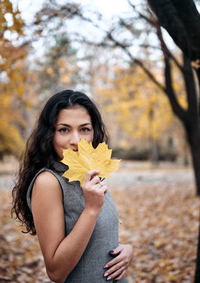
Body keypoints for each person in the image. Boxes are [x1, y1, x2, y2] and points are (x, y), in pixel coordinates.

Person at [12, 90, 133, 282]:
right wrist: (91, 209)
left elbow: (97, 240)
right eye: (64, 130)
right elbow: (56, 272)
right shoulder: (48, 182)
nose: (76, 141)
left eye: (84, 129)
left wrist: (126, 250)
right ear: (49, 134)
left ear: (94, 132)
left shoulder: (88, 175)